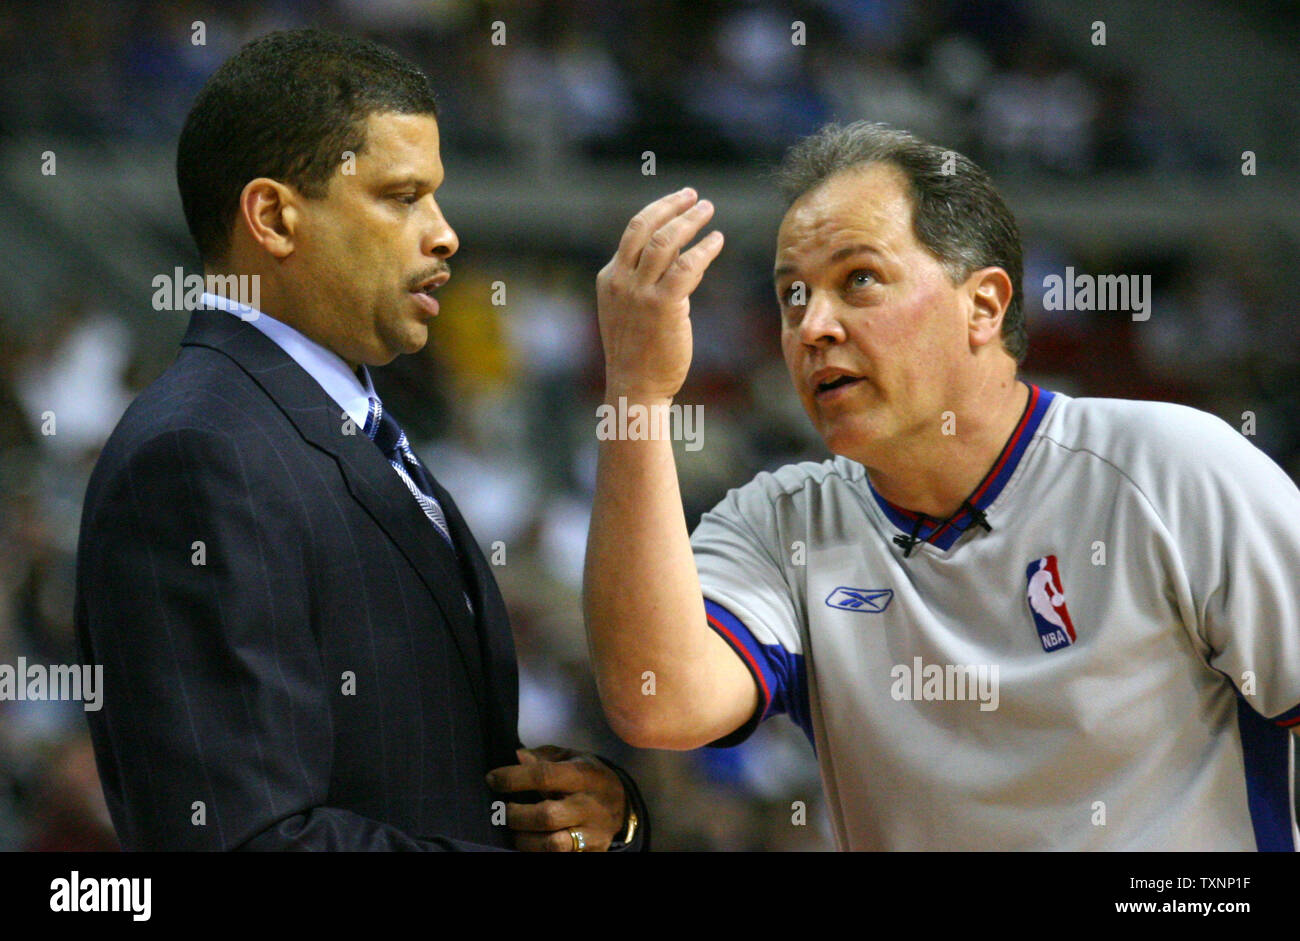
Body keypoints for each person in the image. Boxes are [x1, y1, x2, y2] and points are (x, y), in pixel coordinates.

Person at [583, 121, 1300, 850]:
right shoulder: (780, 523)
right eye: (792, 295)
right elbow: (660, 701)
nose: (812, 326)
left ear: (983, 306)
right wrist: (636, 393)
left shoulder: (1171, 468)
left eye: (858, 278)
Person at [75, 28, 645, 852]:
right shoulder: (200, 452)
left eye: (435, 196)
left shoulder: (332, 421)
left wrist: (594, 820)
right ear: (273, 217)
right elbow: (244, 841)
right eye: (402, 196)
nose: (445, 233)